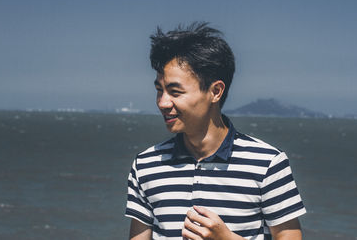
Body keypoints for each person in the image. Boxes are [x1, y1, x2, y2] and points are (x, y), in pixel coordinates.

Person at [125, 22, 306, 240]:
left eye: (175, 92)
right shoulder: (145, 165)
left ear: (216, 91)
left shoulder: (268, 163)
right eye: (159, 90)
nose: (163, 102)